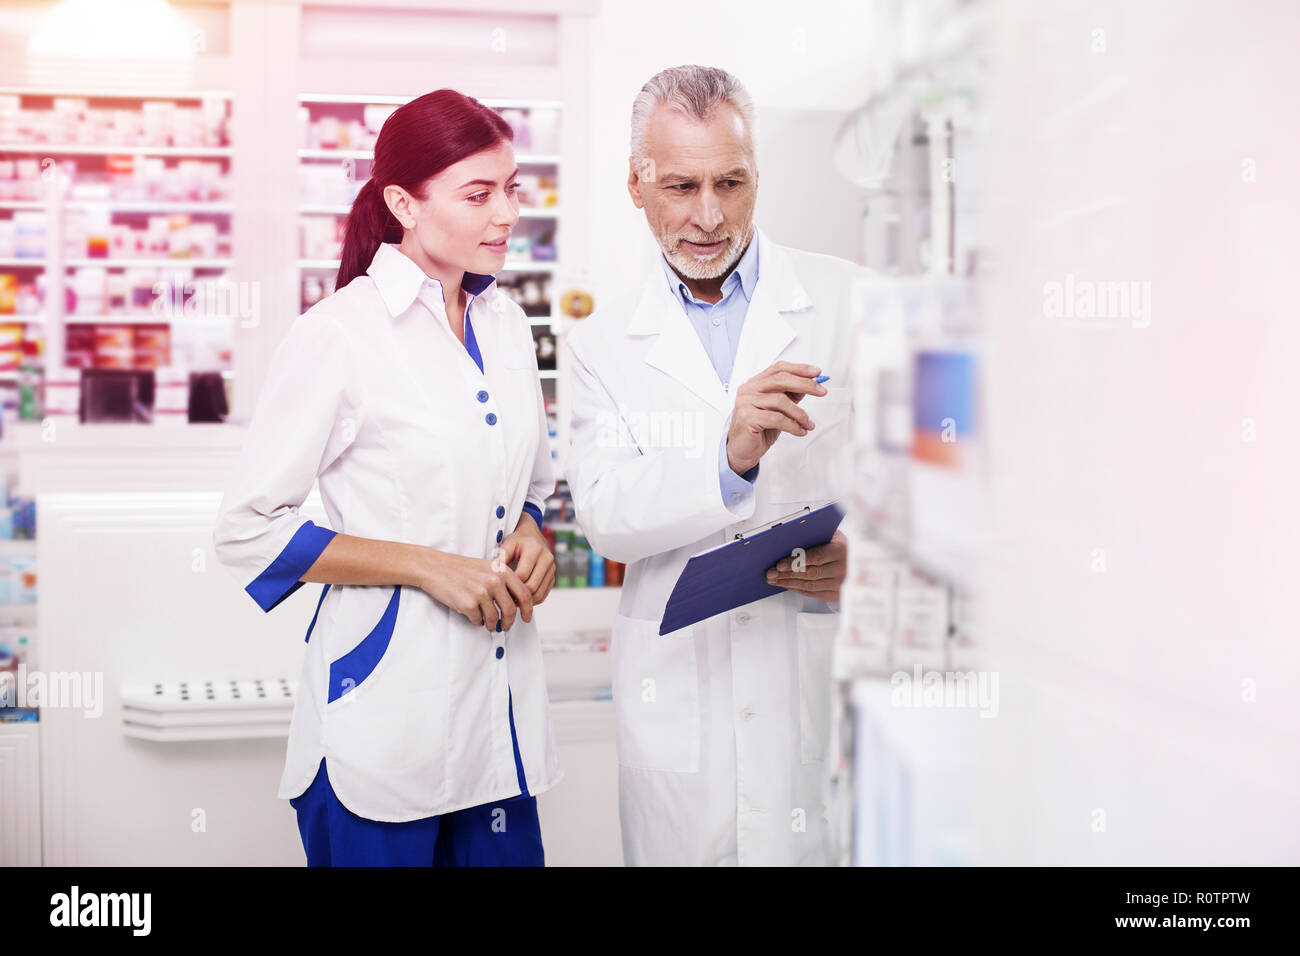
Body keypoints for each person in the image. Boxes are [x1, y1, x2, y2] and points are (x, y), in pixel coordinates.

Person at [213, 89, 561, 867]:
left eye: (511, 188)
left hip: (499, 728)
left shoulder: (509, 325)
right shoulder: (339, 335)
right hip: (383, 727)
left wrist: (532, 531)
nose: (505, 214)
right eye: (478, 194)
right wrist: (425, 566)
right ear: (404, 202)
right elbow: (245, 529)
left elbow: (527, 483)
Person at [564, 65, 865, 866]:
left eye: (730, 182)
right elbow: (604, 517)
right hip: (679, 710)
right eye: (681, 186)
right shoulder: (600, 344)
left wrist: (866, 564)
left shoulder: (852, 303)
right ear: (636, 184)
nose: (708, 215)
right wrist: (727, 460)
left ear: (757, 175)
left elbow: (926, 484)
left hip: (812, 689)